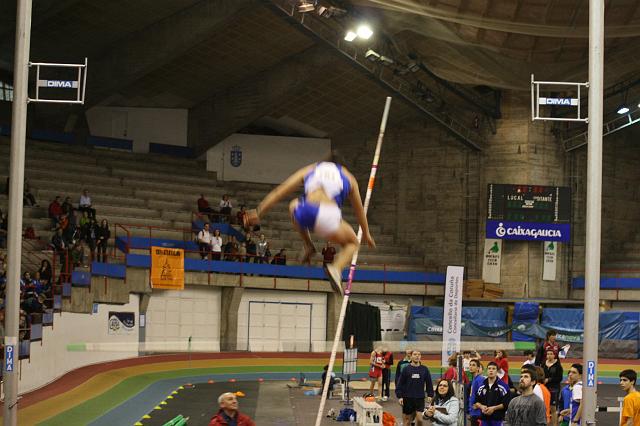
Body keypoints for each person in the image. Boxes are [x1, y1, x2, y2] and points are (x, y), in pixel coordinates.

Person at [245, 154, 375, 295]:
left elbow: (279, 192)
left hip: (304, 212)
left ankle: (308, 244)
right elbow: (359, 210)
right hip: (328, 217)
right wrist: (366, 233)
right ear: (342, 166)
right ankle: (336, 268)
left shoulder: (311, 169)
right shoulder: (349, 177)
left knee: (293, 204)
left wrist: (258, 212)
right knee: (353, 243)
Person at [396, 350, 434, 426]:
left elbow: (429, 383)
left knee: (420, 420)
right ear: (411, 356)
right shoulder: (406, 369)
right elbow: (400, 384)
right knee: (407, 422)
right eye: (415, 354)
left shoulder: (424, 369)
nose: (417, 356)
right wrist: (400, 396)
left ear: (420, 356)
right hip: (407, 398)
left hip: (419, 398)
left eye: (419, 354)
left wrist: (430, 394)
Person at [473, 361, 509, 426]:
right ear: (487, 371)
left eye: (493, 369)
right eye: (489, 368)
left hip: (497, 420)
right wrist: (481, 407)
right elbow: (476, 401)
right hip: (484, 420)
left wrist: (494, 408)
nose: (491, 370)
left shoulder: (503, 386)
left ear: (497, 371)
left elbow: (506, 404)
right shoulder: (481, 386)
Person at [544, 349, 564, 426]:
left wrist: (549, 379)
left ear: (554, 355)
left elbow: (559, 378)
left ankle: (555, 424)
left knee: (553, 408)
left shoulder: (558, 365)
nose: (549, 355)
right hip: (545, 388)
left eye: (551, 354)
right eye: (548, 354)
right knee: (545, 407)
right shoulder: (544, 364)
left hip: (554, 388)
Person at [468, 359, 485, 426]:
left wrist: (478, 405)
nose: (471, 367)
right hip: (473, 412)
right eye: (470, 365)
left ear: (478, 368)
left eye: (473, 365)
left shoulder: (480, 379)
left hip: (478, 413)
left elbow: (483, 394)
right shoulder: (474, 379)